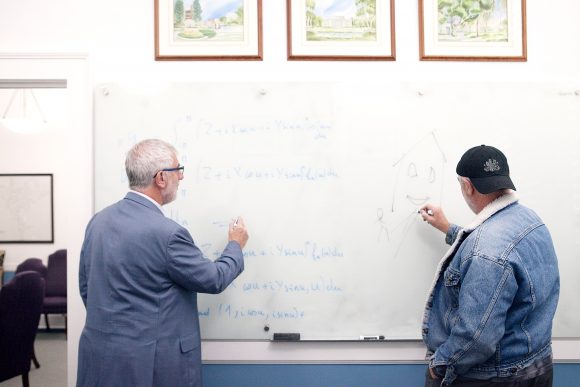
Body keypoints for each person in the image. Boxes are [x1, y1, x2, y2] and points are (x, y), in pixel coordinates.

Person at [77, 139, 248, 387]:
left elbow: (87, 286)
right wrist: (235, 245)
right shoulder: (168, 234)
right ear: (160, 178)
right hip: (150, 365)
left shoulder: (98, 221)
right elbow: (214, 279)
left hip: (100, 357)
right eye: (178, 169)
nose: (181, 176)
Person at [419, 145, 559, 387]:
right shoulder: (530, 220)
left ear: (466, 185)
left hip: (494, 378)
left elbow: (477, 337)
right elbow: (501, 254)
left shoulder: (485, 251)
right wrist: (449, 229)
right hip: (537, 367)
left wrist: (440, 365)